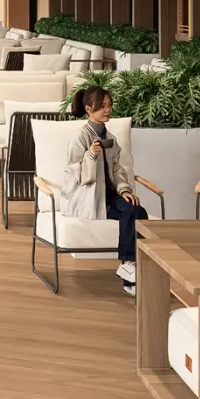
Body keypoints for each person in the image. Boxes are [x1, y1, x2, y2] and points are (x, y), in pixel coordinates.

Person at [63, 86, 146, 294]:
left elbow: (118, 169)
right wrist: (90, 156)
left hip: (111, 195)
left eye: (109, 106)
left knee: (139, 211)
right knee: (130, 212)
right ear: (89, 109)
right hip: (91, 198)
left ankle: (130, 268)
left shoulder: (111, 138)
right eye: (102, 107)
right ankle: (129, 270)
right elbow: (77, 177)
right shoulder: (79, 139)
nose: (108, 110)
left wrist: (125, 189)